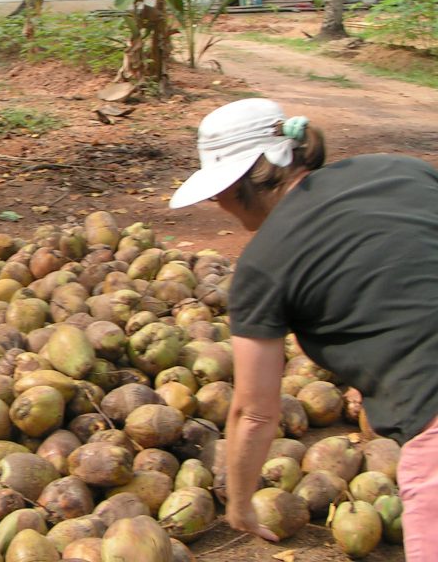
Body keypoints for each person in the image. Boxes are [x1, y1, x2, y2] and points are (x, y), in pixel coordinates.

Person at [169, 97, 438, 561]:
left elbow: (254, 413)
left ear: (241, 183)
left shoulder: (263, 265)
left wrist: (239, 501)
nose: (215, 203)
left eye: (217, 190)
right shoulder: (398, 169)